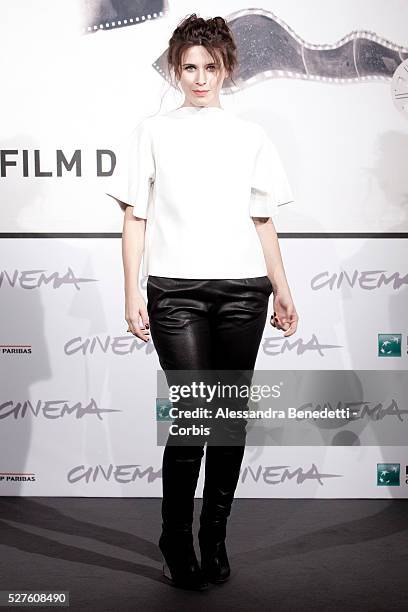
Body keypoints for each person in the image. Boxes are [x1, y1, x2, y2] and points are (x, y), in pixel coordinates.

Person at [107, 13, 299, 591]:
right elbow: (133, 219)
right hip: (176, 292)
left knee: (228, 425)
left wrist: (283, 290)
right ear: (176, 69)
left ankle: (213, 535)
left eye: (209, 68)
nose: (198, 78)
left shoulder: (250, 137)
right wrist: (131, 291)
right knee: (193, 420)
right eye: (189, 67)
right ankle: (174, 535)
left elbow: (262, 220)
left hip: (244, 290)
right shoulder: (152, 131)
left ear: (225, 70)